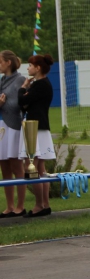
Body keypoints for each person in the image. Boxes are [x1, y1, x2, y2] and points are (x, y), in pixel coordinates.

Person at [17, 53, 56, 218]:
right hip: (38, 127)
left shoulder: (40, 85)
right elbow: (25, 105)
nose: (28, 68)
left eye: (31, 66)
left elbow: (22, 101)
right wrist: (26, 98)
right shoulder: (40, 84)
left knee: (32, 168)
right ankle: (44, 204)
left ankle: (40, 205)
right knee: (40, 169)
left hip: (35, 128)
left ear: (38, 68)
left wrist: (22, 88)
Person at [0, 51, 26, 218]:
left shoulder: (20, 80)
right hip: (2, 126)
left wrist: (5, 103)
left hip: (14, 126)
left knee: (17, 166)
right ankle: (9, 206)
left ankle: (20, 206)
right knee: (4, 166)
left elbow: (21, 103)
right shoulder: (1, 81)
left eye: (0, 61)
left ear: (8, 62)